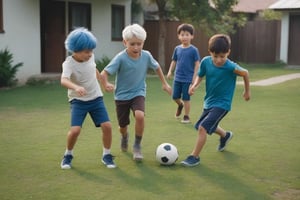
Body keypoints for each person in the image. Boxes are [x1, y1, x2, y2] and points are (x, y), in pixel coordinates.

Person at [100, 24, 172, 161]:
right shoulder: (120, 58)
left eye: (139, 44)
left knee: (140, 116)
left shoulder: (146, 56)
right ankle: (124, 136)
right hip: (121, 96)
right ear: (124, 42)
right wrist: (106, 84)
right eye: (132, 44)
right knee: (123, 126)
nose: (136, 47)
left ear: (143, 43)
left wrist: (164, 83)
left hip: (138, 92)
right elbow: (104, 73)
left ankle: (137, 145)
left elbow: (157, 67)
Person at [181, 34, 250, 167]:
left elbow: (245, 73)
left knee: (202, 128)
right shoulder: (206, 62)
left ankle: (194, 157)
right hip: (209, 102)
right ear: (210, 52)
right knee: (204, 125)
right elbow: (200, 76)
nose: (218, 60)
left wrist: (247, 91)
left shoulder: (231, 67)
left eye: (222, 57)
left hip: (223, 104)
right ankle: (225, 135)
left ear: (228, 52)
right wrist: (194, 85)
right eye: (215, 56)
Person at [60, 28, 116, 169]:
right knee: (75, 131)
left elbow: (94, 70)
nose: (90, 54)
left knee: (107, 126)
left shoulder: (90, 57)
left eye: (91, 50)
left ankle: (107, 155)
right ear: (75, 50)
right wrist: (76, 87)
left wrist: (104, 83)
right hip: (78, 101)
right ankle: (68, 155)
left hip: (96, 98)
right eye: (86, 51)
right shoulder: (68, 64)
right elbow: (63, 80)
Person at [167, 23, 200, 123]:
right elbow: (174, 61)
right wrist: (169, 71)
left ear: (192, 36)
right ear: (178, 36)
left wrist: (194, 78)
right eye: (182, 34)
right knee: (175, 97)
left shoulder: (194, 50)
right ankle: (180, 105)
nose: (184, 37)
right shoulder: (177, 49)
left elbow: (197, 64)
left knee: (186, 98)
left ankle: (186, 116)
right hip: (177, 78)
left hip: (188, 79)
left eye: (187, 34)